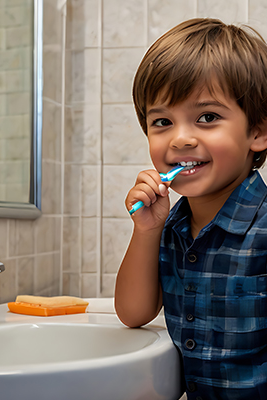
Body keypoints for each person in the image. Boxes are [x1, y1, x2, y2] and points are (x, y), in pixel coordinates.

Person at [114, 18, 267, 400]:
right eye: (162, 121)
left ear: (258, 131)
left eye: (207, 117)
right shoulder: (173, 227)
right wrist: (146, 230)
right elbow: (133, 313)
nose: (181, 138)